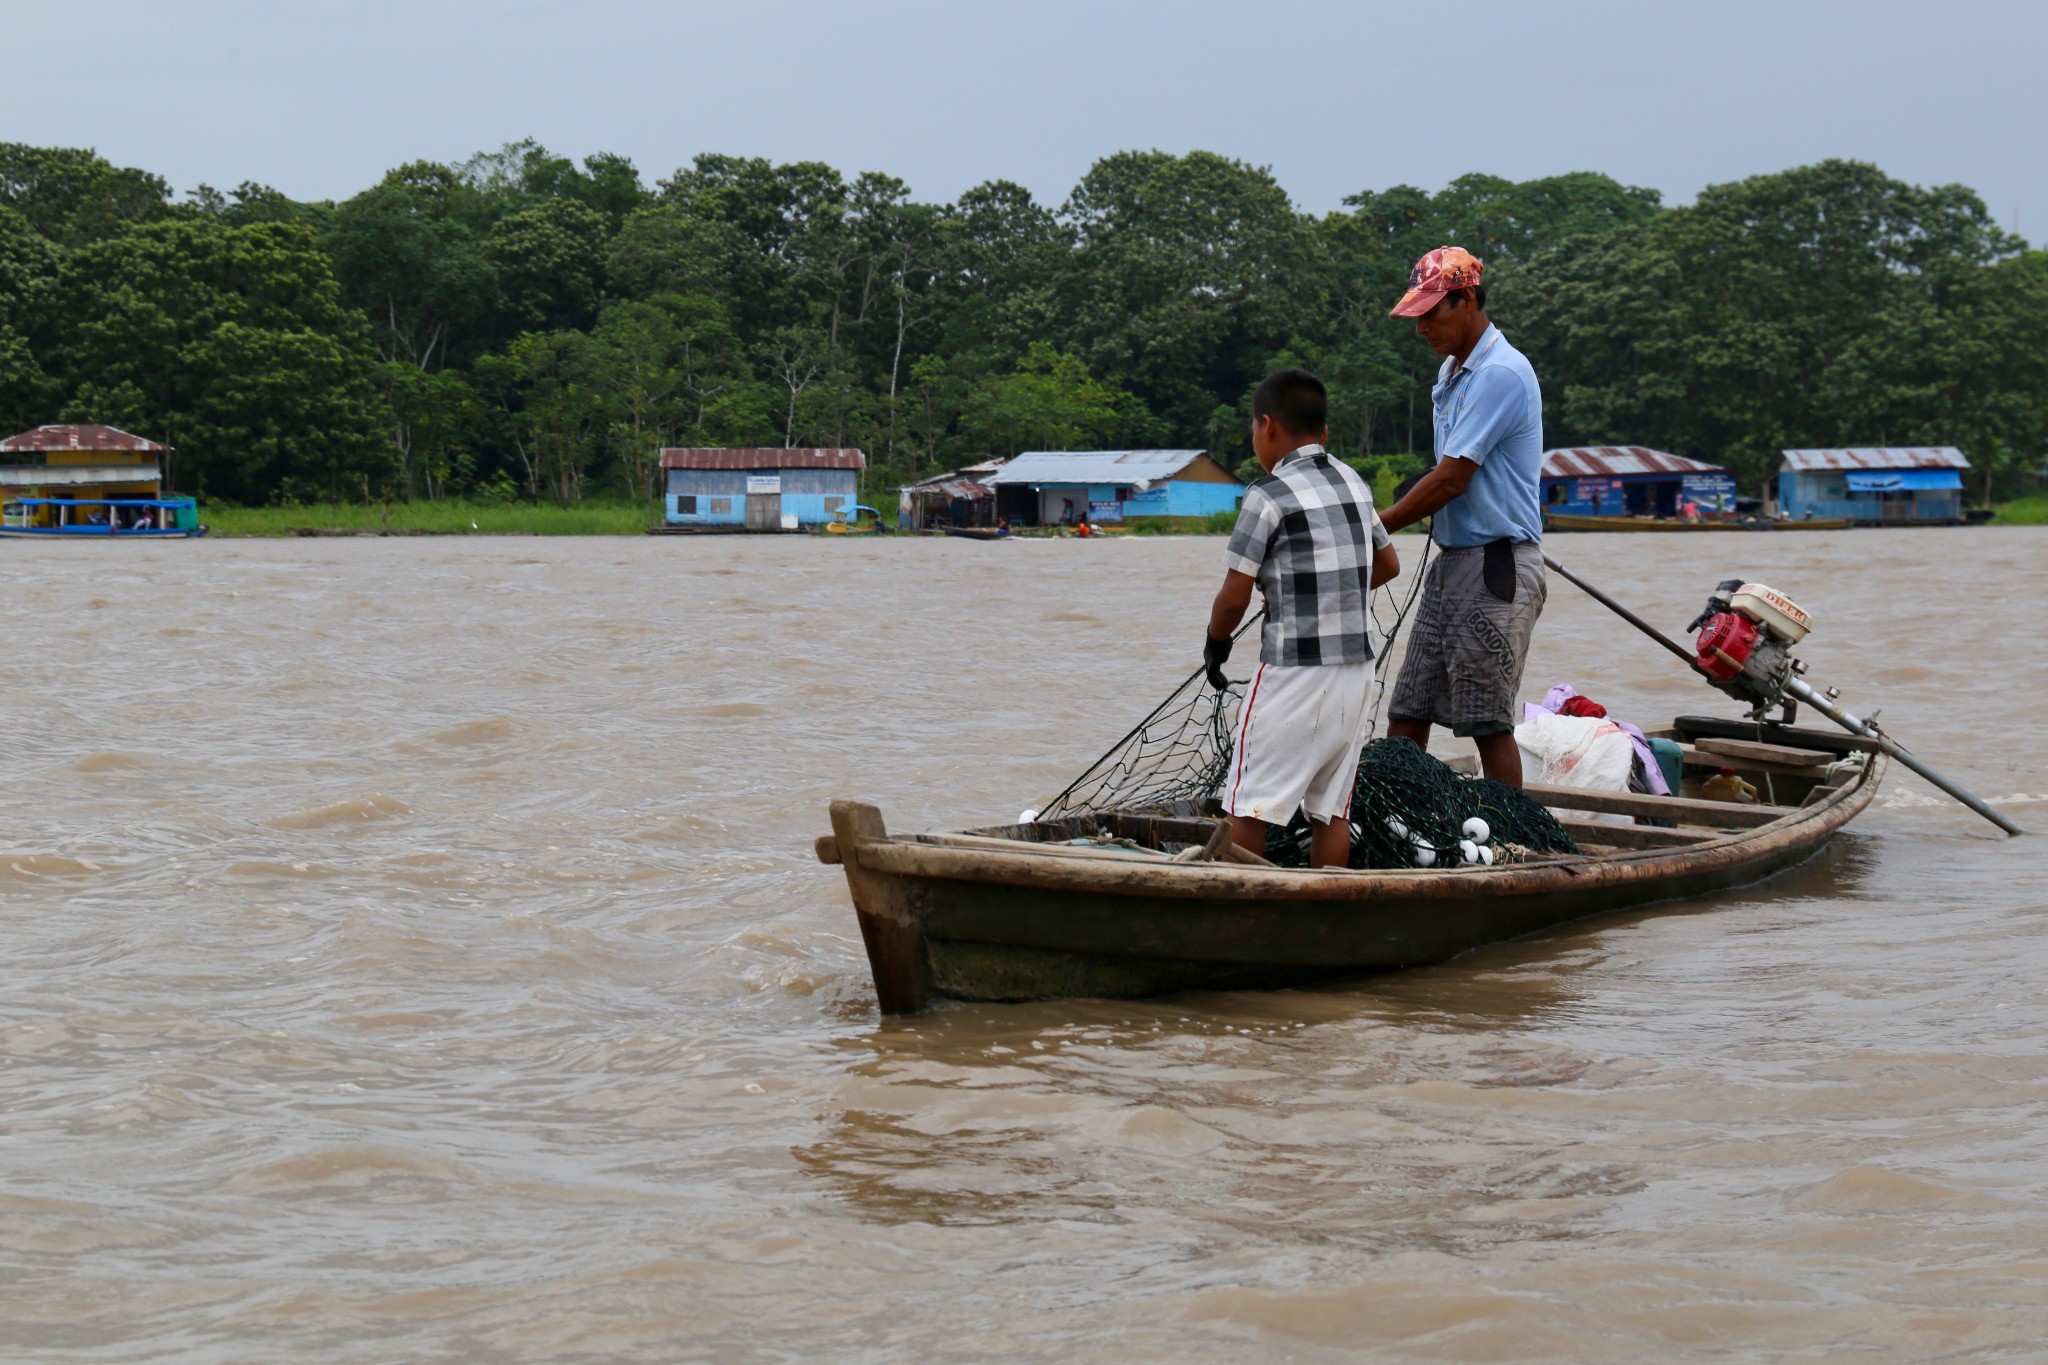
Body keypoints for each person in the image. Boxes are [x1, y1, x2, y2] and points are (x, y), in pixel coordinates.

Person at [1202, 369, 1402, 867]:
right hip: (1356, 673)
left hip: (1295, 671)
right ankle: (1326, 911)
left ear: (1266, 426)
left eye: (1253, 429)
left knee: (1250, 801)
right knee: (1330, 809)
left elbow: (1235, 594)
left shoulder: (1266, 495)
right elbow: (1387, 565)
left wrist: (1216, 643)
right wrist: (1317, 594)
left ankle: (1236, 912)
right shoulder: (1354, 481)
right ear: (1325, 434)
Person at [1377, 245, 1547, 788]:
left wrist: (1372, 528)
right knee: (1408, 709)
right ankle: (1400, 819)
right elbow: (1444, 476)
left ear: (1467, 300)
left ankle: (1513, 844)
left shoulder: (1500, 372)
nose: (1422, 327)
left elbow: (1452, 478)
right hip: (1454, 562)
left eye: (1432, 313)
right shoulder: (1453, 374)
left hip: (1496, 565)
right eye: (1417, 315)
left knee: (1486, 721)